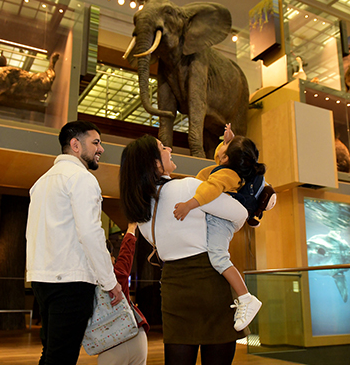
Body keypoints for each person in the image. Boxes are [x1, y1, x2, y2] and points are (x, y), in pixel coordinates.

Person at [120, 134, 248, 365]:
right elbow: (240, 214)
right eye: (162, 147)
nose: (168, 148)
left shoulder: (141, 210)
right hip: (210, 282)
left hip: (172, 288)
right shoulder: (190, 187)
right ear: (156, 163)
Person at [26, 120, 122, 365]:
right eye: (96, 142)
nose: (101, 149)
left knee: (51, 354)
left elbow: (31, 234)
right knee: (62, 358)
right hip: (70, 282)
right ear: (75, 145)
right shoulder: (81, 178)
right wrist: (111, 282)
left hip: (42, 280)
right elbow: (90, 233)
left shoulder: (41, 182)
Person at [173, 124, 276, 331]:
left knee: (219, 258)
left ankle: (246, 298)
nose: (221, 147)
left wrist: (189, 205)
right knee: (215, 255)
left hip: (222, 220)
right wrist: (230, 139)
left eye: (225, 147)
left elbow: (209, 190)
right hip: (223, 217)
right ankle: (245, 297)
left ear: (226, 159)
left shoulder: (226, 175)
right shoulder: (235, 168)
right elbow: (230, 156)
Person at [98, 223, 150, 365]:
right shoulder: (117, 274)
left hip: (109, 345)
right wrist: (131, 228)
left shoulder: (87, 284)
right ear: (111, 258)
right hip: (135, 335)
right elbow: (127, 252)